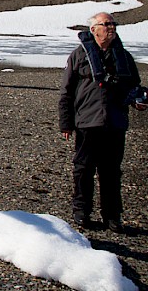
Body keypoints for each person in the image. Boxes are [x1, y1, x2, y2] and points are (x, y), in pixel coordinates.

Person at [58, 12, 146, 233]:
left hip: (115, 122)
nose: (111, 28)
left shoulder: (124, 57)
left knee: (111, 171)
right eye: (106, 24)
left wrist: (139, 101)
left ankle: (112, 216)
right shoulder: (79, 56)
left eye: (113, 24)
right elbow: (66, 91)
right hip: (87, 121)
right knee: (83, 169)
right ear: (94, 29)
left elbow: (134, 86)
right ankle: (82, 212)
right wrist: (66, 122)